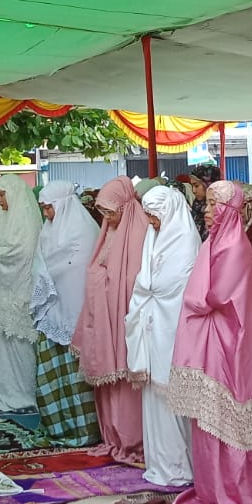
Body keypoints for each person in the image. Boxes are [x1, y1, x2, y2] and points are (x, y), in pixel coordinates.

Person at [171, 182, 252, 504]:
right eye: (208, 205)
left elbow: (214, 296)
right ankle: (211, 488)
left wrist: (192, 294)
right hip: (212, 342)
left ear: (229, 210)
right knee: (208, 417)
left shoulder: (235, 246)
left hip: (229, 345)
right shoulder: (215, 242)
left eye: (214, 206)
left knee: (224, 416)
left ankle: (233, 491)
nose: (208, 213)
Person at [125, 185, 198, 487]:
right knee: (154, 398)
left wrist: (147, 289)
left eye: (154, 216)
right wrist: (145, 290)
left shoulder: (186, 239)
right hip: (153, 328)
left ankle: (180, 466)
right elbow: (146, 279)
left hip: (173, 329)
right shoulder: (154, 236)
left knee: (173, 395)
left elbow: (171, 285)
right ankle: (160, 462)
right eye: (149, 216)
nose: (151, 222)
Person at [72, 178, 148, 465]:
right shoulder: (111, 232)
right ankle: (113, 437)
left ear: (126, 207)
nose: (107, 218)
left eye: (111, 211)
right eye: (102, 212)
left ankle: (132, 439)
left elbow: (133, 281)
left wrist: (106, 282)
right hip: (105, 320)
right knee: (108, 384)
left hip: (124, 321)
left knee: (127, 384)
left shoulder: (139, 234)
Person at [29, 181, 101, 446]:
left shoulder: (84, 231)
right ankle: (57, 428)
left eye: (49, 208)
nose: (46, 214)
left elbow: (78, 272)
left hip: (76, 316)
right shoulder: (47, 232)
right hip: (52, 315)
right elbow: (40, 264)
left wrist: (52, 273)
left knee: (77, 376)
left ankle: (84, 432)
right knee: (50, 374)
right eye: (44, 209)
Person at [0, 180, 43, 411]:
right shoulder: (4, 218)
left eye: (2, 195)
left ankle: (22, 393)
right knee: (0, 345)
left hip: (18, 294)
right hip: (1, 294)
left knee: (19, 346)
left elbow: (21, 252)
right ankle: (1, 390)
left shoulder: (26, 220)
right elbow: (0, 244)